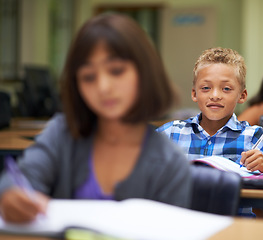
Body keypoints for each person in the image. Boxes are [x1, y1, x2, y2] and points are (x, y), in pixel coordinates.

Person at [0, 14, 192, 223]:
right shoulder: (61, 134)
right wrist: (10, 195)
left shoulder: (171, 163)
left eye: (117, 71)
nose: (103, 88)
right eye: (88, 77)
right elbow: (19, 181)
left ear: (145, 73)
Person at [156, 47, 263, 217]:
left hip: (235, 227)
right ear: (194, 93)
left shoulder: (252, 137)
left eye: (226, 89)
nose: (215, 95)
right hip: (181, 224)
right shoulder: (172, 133)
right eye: (206, 88)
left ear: (242, 96)